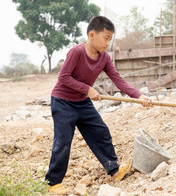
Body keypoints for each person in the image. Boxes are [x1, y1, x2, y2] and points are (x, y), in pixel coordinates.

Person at [45, 16, 152, 194]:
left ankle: (114, 170)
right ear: (92, 35)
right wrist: (87, 89)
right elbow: (63, 77)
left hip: (82, 103)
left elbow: (118, 80)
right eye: (106, 38)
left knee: (101, 132)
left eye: (111, 39)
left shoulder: (104, 58)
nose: (108, 43)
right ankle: (53, 183)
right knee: (63, 141)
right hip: (63, 102)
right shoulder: (77, 52)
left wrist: (139, 96)